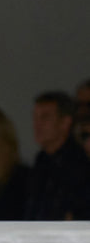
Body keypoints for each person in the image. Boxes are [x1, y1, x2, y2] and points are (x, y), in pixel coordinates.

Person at [24, 92, 90, 220]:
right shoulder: (41, 161)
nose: (37, 125)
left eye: (45, 117)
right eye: (35, 118)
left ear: (65, 122)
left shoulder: (80, 164)